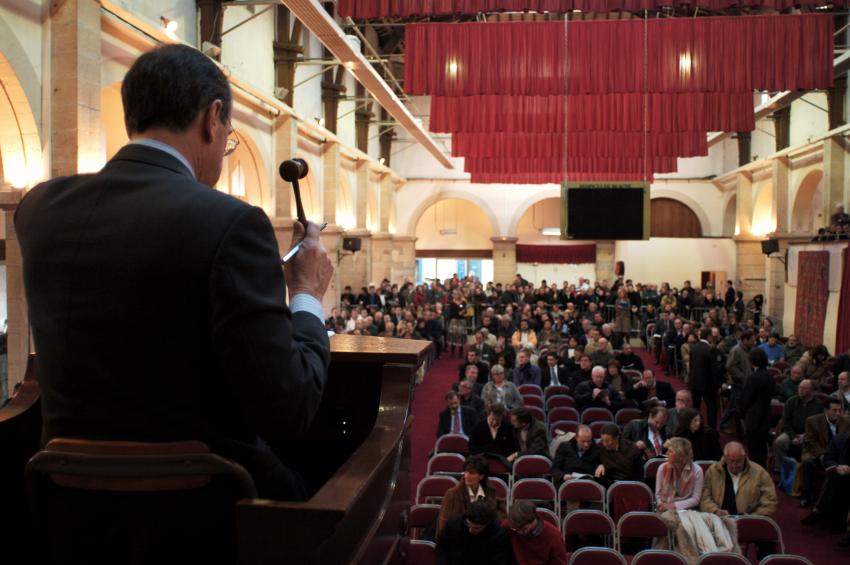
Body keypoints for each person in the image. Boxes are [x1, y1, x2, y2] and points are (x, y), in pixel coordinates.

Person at [15, 44, 334, 503]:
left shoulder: (39, 209)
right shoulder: (233, 223)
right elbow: (290, 405)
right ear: (213, 116)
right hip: (203, 501)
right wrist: (305, 291)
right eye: (228, 136)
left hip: (62, 496)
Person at [700, 442, 777, 517]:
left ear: (744, 457)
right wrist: (715, 510)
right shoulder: (712, 471)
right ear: (725, 459)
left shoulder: (760, 473)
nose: (735, 465)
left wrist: (753, 516)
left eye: (738, 461)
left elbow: (770, 502)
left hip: (749, 521)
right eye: (731, 461)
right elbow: (705, 498)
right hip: (718, 519)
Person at [800, 397, 850, 507]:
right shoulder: (812, 421)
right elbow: (810, 442)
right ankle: (806, 493)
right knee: (808, 462)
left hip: (839, 454)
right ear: (826, 410)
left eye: (840, 410)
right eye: (834, 410)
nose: (838, 413)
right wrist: (824, 455)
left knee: (842, 466)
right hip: (818, 452)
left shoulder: (847, 422)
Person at [437, 455, 506, 535]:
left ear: (481, 476)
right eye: (466, 472)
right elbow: (443, 526)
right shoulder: (453, 494)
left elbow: (498, 516)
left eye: (472, 473)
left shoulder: (490, 492)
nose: (467, 476)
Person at [801, 432, 850, 542]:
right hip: (842, 475)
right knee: (833, 474)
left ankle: (819, 510)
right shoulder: (839, 440)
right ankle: (834, 518)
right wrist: (837, 467)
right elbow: (828, 459)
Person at [436, 499, 511, 565]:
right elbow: (442, 547)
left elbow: (498, 561)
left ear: (487, 524)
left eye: (476, 528)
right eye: (468, 524)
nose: (470, 530)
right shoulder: (454, 523)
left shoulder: (498, 535)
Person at [772, 379, 820, 475]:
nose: (800, 390)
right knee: (779, 442)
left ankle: (803, 475)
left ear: (811, 390)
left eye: (804, 388)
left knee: (814, 447)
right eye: (800, 387)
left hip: (809, 435)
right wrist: (793, 436)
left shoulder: (818, 405)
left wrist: (805, 435)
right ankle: (780, 471)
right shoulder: (791, 402)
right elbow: (786, 422)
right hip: (791, 432)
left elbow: (819, 425)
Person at [503, 501, 568, 565]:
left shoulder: (553, 535)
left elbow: (560, 562)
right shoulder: (510, 526)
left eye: (523, 529)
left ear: (533, 520)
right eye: (515, 529)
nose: (519, 532)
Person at [740, 348, 774, 467]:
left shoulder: (753, 378)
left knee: (754, 448)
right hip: (766, 415)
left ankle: (755, 472)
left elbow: (746, 398)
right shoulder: (770, 376)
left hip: (753, 416)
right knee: (762, 447)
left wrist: (742, 413)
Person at [720, 330, 756, 436]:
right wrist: (742, 377)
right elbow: (729, 366)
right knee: (733, 406)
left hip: (746, 383)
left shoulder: (749, 350)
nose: (754, 342)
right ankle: (724, 425)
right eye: (753, 340)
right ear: (745, 340)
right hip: (739, 383)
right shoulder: (736, 350)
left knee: (735, 406)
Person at [655, 438, 704, 512]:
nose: (667, 453)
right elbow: (658, 495)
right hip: (664, 509)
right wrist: (662, 505)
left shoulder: (697, 470)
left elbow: (696, 499)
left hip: (688, 510)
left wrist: (673, 506)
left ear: (681, 456)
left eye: (670, 451)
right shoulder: (662, 468)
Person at [689, 328, 721, 430]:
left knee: (695, 407)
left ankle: (695, 427)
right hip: (708, 384)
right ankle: (711, 430)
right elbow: (714, 370)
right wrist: (718, 385)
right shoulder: (711, 349)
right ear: (709, 336)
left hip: (695, 382)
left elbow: (691, 365)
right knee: (711, 409)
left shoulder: (694, 348)